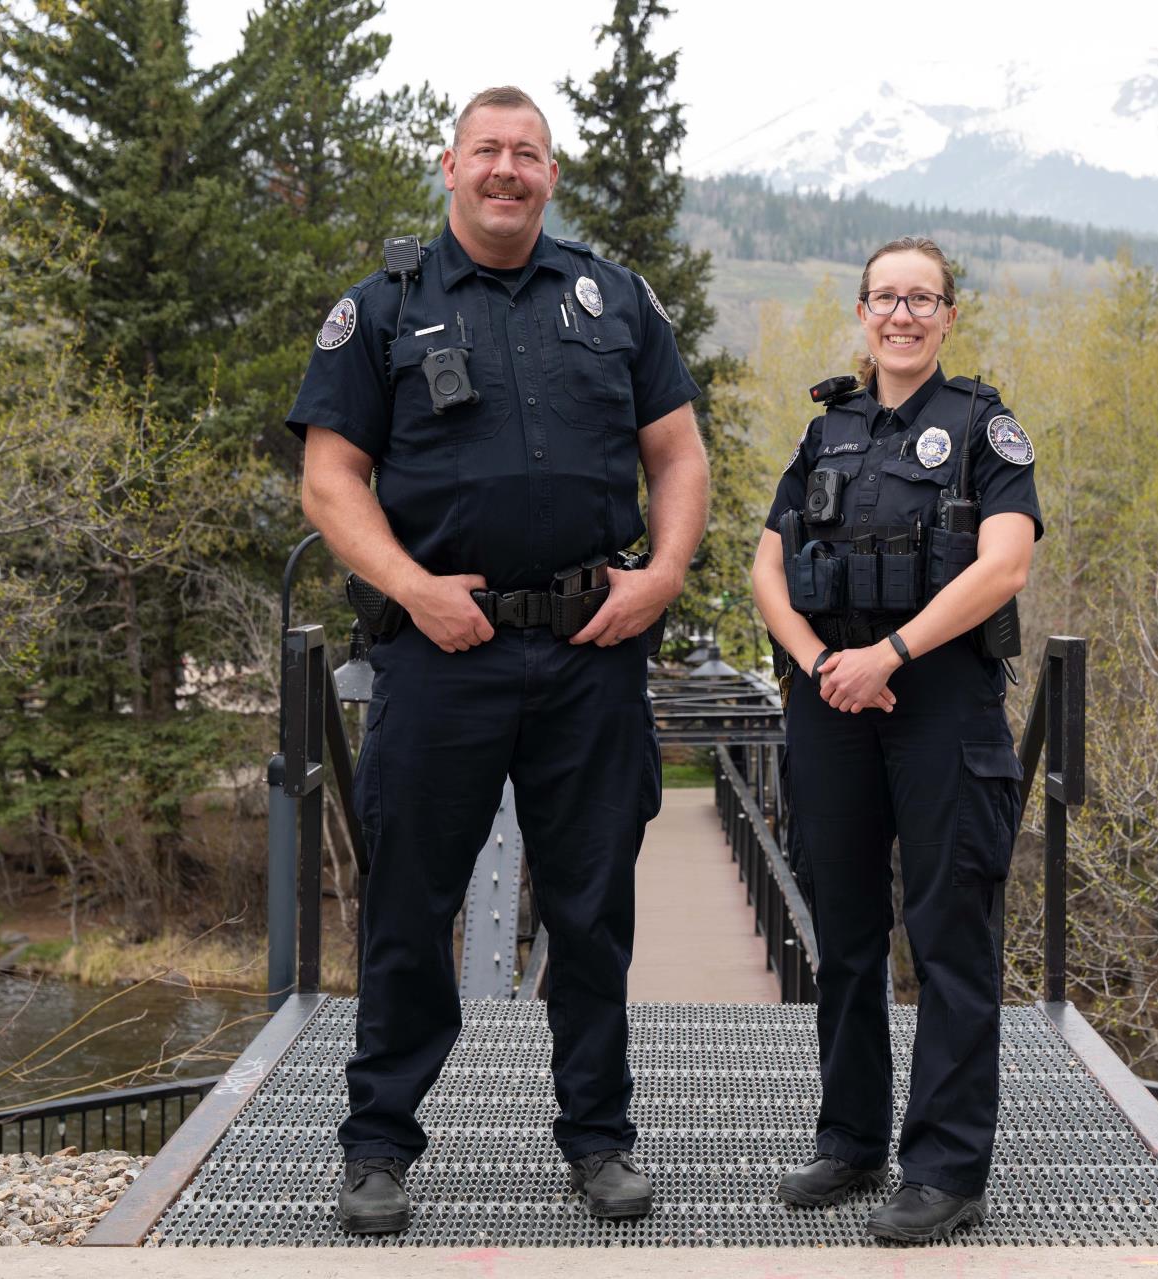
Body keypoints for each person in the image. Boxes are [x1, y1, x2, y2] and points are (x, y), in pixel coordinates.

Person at [288, 85, 709, 1234]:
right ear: (450, 165)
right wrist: (410, 587)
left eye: (527, 153)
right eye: (488, 151)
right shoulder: (383, 308)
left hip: (590, 648)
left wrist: (664, 573)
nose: (507, 170)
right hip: (442, 653)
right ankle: (377, 1148)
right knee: (412, 903)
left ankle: (599, 1140)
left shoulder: (614, 299)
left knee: (590, 908)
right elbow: (332, 479)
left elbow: (677, 454)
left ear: (551, 174)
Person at [750, 235, 1042, 1243]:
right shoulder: (826, 429)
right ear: (863, 312)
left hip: (939, 704)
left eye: (923, 299)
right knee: (844, 932)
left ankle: (947, 1167)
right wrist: (816, 659)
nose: (903, 315)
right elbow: (769, 564)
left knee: (950, 935)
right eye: (886, 298)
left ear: (950, 315)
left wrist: (892, 654)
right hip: (832, 702)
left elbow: (1004, 566)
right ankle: (850, 1140)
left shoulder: (982, 429)